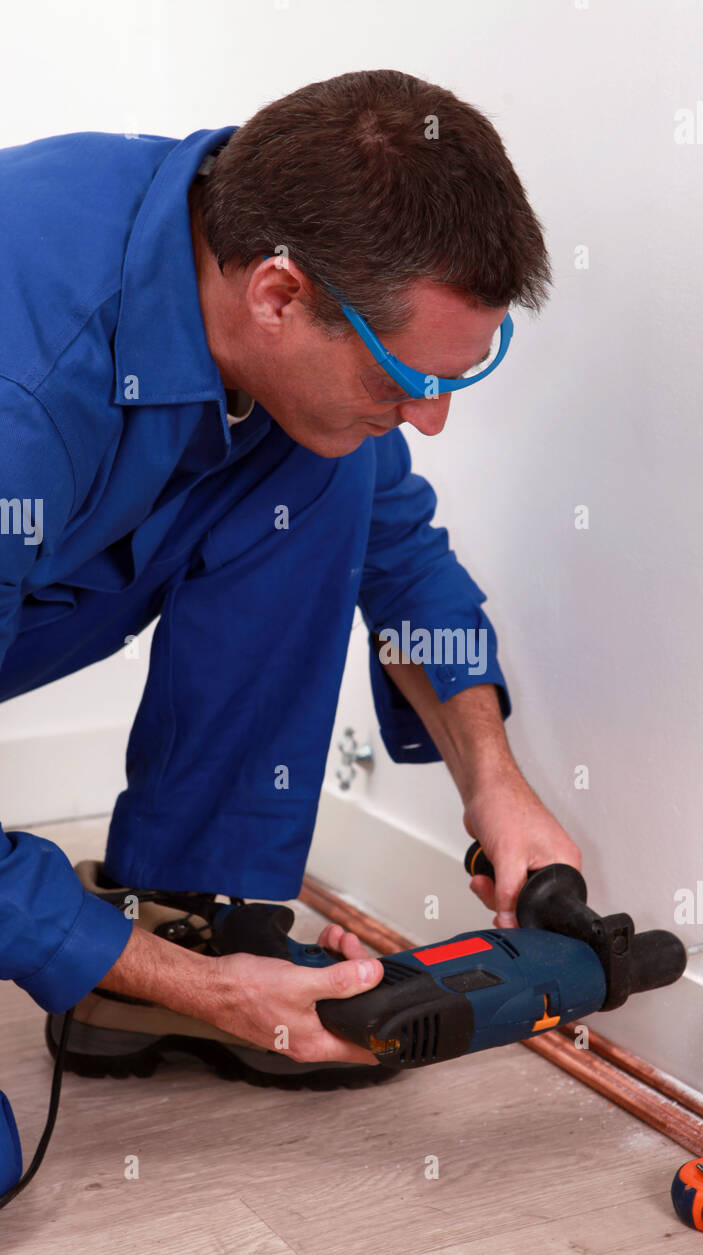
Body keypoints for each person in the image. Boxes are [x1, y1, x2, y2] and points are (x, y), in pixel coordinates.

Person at [0, 69, 583, 1109]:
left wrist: (490, 775)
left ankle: (185, 907)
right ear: (278, 295)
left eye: (452, 380)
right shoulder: (25, 392)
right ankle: (178, 976)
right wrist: (199, 990)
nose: (429, 416)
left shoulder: (239, 251)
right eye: (407, 379)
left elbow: (398, 556)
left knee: (333, 467)